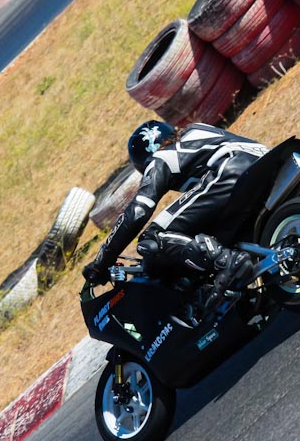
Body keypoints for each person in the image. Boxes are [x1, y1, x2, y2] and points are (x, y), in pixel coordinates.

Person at [82, 121, 269, 317]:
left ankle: (227, 262)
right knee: (208, 230)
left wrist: (102, 261)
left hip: (231, 170)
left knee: (152, 238)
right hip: (264, 158)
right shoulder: (196, 129)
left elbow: (138, 212)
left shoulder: (160, 158)